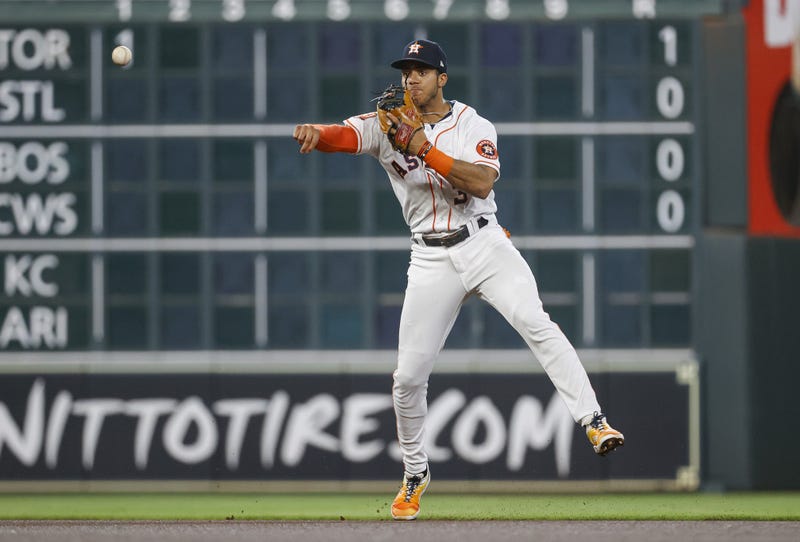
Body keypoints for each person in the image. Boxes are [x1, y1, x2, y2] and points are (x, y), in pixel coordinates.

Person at [293, 38, 624, 521]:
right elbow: (341, 136)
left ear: (441, 78)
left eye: (421, 71)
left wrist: (424, 149)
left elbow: (482, 182)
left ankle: (593, 421)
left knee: (536, 321)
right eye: (407, 71)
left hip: (484, 242)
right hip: (429, 257)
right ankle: (414, 471)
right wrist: (313, 132)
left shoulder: (473, 124)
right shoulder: (388, 126)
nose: (410, 78)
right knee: (407, 377)